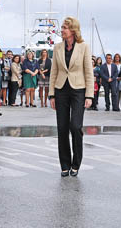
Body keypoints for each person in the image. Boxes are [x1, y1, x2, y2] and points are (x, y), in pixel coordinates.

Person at [48, 17, 94, 177]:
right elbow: (54, 71)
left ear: (73, 30)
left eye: (64, 27)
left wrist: (89, 95)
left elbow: (89, 72)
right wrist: (51, 94)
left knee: (75, 126)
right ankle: (65, 164)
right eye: (62, 27)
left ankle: (76, 162)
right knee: (62, 128)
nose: (62, 30)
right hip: (61, 90)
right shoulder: (58, 48)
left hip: (78, 90)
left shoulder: (83, 47)